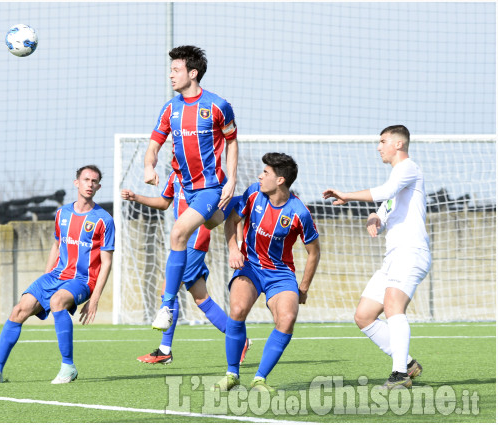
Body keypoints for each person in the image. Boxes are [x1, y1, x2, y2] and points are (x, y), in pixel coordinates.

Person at [0, 165, 114, 385]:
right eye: (86, 180)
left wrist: (94, 300)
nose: (90, 184)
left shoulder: (104, 219)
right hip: (55, 275)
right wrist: (45, 279)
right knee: (18, 310)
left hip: (82, 281)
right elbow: (56, 246)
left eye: (94, 181)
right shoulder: (62, 213)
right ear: (77, 183)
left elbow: (106, 263)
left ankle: (68, 367)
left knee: (57, 301)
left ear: (99, 187)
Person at [322, 125, 430, 390]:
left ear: (398, 144)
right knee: (364, 316)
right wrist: (375, 219)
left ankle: (399, 375)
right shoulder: (398, 180)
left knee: (394, 306)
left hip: (411, 253)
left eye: (382, 141)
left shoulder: (408, 168)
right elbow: (383, 207)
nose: (378, 146)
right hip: (392, 258)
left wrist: (347, 195)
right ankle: (406, 362)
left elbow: (383, 192)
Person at [144, 45, 239, 331]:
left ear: (192, 73)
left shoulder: (217, 106)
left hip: (210, 188)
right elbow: (153, 145)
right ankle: (236, 211)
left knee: (178, 233)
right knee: (211, 223)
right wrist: (149, 166)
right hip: (186, 190)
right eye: (170, 70)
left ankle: (166, 308)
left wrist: (231, 179)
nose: (170, 75)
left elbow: (232, 141)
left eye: (176, 70)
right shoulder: (170, 109)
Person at [214, 153, 321, 394]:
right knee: (238, 309)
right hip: (250, 266)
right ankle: (232, 374)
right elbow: (231, 221)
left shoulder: (299, 212)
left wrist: (303, 288)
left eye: (266, 173)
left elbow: (314, 252)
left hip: (281, 274)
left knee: (287, 318)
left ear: (280, 180)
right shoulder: (253, 193)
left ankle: (260, 379)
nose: (259, 176)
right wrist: (234, 249)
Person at [121, 173, 250, 364]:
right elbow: (165, 203)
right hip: (182, 244)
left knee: (168, 289)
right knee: (201, 298)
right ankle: (240, 340)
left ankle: (165, 350)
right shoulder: (175, 176)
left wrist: (238, 242)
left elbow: (232, 207)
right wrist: (136, 197)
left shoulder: (211, 176)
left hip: (195, 242)